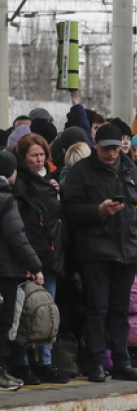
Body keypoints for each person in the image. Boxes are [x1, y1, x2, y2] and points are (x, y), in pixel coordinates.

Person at [62, 124, 137, 382]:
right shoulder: (81, 173)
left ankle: (121, 362)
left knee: (120, 309)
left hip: (127, 252)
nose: (111, 154)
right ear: (96, 145)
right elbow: (69, 210)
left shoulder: (131, 170)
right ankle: (95, 362)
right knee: (97, 309)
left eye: (115, 148)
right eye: (106, 149)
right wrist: (98, 211)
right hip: (95, 252)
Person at [8, 134, 66, 384]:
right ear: (23, 158)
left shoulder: (50, 182)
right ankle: (22, 362)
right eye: (34, 155)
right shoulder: (18, 185)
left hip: (50, 255)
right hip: (28, 258)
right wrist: (29, 262)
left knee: (46, 312)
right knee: (24, 313)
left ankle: (45, 360)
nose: (40, 160)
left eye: (42, 155)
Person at [0, 150, 44, 390]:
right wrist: (35, 266)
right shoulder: (6, 198)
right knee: (4, 322)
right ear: (11, 172)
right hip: (5, 271)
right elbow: (17, 237)